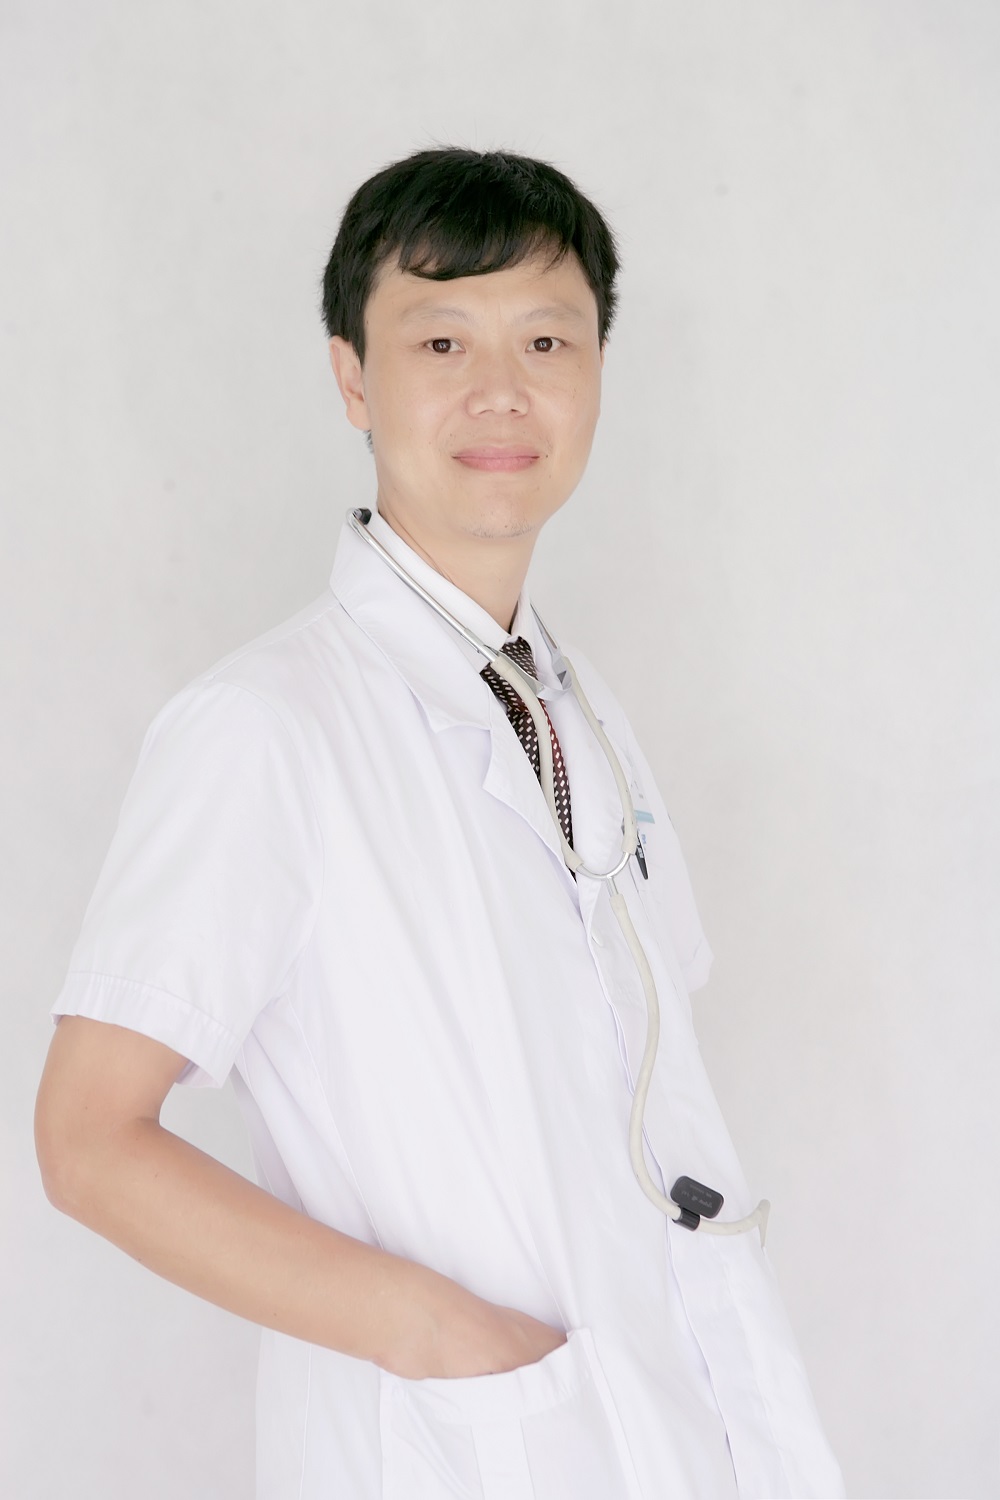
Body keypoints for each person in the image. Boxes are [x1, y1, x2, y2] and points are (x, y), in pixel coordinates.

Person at [34, 147, 844, 1499]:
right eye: (441, 340)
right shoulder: (265, 725)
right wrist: (442, 1336)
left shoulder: (578, 712)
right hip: (459, 1451)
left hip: (677, 1432)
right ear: (353, 378)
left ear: (596, 373)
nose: (501, 391)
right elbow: (88, 1141)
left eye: (546, 340)